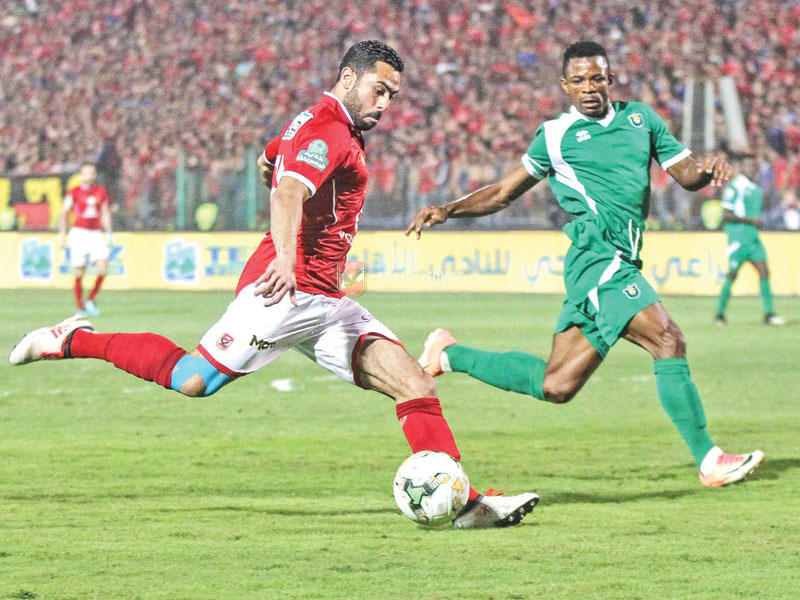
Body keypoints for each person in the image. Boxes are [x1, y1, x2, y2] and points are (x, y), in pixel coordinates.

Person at [11, 41, 537, 529]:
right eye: (379, 90)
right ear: (348, 78)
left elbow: (270, 160)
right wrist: (286, 258)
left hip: (325, 300)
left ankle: (468, 506)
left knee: (416, 384)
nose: (385, 104)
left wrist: (295, 208)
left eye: (392, 96)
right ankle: (73, 339)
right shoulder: (329, 131)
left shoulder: (319, 123)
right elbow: (286, 191)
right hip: (285, 292)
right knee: (193, 380)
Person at [407, 41, 764, 488]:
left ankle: (448, 354)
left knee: (556, 385)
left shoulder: (642, 120)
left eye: (597, 78)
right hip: (598, 258)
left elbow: (687, 176)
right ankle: (710, 460)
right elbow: (503, 192)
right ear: (565, 86)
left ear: (610, 79)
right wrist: (448, 209)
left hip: (618, 260)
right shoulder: (555, 136)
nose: (589, 88)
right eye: (579, 81)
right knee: (668, 340)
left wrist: (708, 168)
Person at [715, 156, 785, 326]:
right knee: (732, 275)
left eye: (754, 166)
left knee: (764, 271)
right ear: (741, 167)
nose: (752, 168)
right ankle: (720, 314)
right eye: (748, 165)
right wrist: (750, 220)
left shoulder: (755, 188)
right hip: (738, 238)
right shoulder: (734, 187)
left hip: (753, 239)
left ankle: (769, 314)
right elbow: (726, 215)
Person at [58, 162, 112, 316]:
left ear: (95, 175)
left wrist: (109, 234)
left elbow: (105, 213)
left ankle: (91, 299)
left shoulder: (100, 191)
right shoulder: (73, 192)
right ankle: (80, 307)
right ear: (81, 175)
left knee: (103, 267)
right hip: (79, 234)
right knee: (79, 272)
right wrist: (63, 234)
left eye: (91, 172)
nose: (89, 175)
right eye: (86, 172)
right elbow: (64, 212)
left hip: (96, 233)